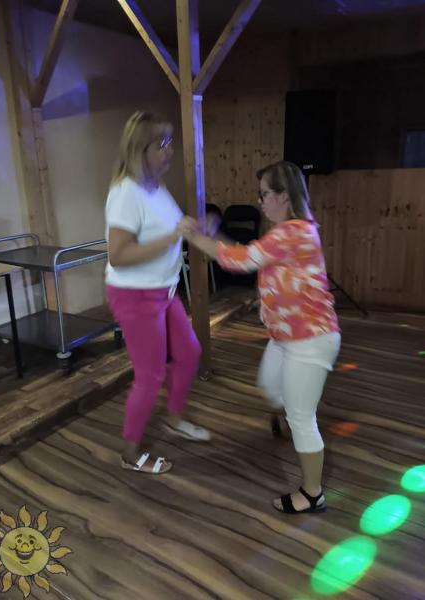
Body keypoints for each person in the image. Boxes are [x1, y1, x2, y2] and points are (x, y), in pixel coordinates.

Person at [185, 161, 341, 513]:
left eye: (264, 194)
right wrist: (215, 234)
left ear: (284, 196)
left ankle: (312, 494)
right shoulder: (286, 233)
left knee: (302, 418)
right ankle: (289, 410)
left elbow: (241, 259)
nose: (260, 201)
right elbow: (255, 255)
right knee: (270, 386)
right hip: (286, 337)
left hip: (310, 339)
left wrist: (194, 235)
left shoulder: (294, 232)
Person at [105, 111, 210, 476]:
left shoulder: (156, 187)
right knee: (149, 376)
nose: (170, 151)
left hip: (163, 291)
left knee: (189, 352)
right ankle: (130, 453)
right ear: (140, 149)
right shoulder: (126, 193)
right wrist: (172, 237)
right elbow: (118, 255)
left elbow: (171, 228)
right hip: (135, 296)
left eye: (170, 142)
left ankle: (174, 419)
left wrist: (194, 228)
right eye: (161, 144)